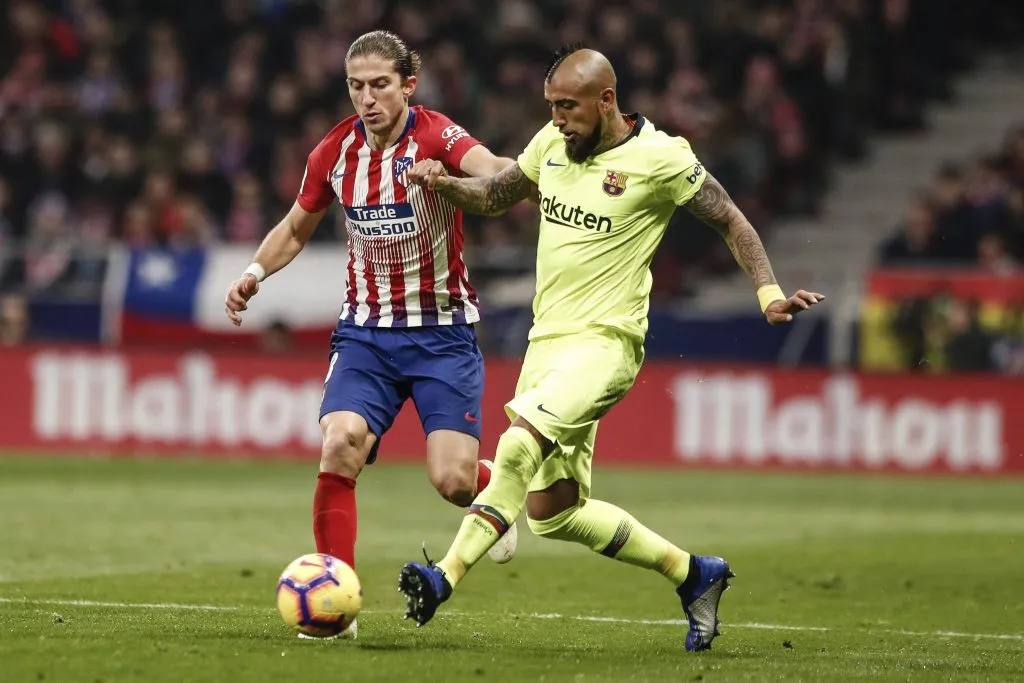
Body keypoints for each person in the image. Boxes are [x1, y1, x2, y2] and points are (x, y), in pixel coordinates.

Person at [396, 45, 825, 652]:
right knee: (554, 513)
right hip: (547, 344)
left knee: (516, 447)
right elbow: (494, 195)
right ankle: (694, 573)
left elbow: (731, 219)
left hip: (606, 345)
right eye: (550, 106)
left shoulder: (661, 158)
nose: (557, 118)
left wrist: (768, 293)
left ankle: (444, 577)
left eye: (568, 107)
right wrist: (443, 184)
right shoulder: (551, 144)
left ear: (606, 101)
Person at [223, 31, 521, 638]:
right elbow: (296, 226)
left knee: (451, 481)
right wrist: (254, 272)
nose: (367, 98)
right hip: (366, 336)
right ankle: (337, 602)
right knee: (340, 443)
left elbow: (500, 174)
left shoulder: (438, 136)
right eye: (356, 86)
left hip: (442, 336)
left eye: (380, 85)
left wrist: (473, 178)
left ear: (408, 85)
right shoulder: (333, 152)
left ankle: (495, 492)